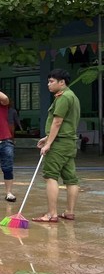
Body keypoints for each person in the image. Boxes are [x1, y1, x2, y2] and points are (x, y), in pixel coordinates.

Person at [33, 69, 80, 223]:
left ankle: (51, 214)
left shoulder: (63, 97)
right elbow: (65, 123)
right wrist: (47, 137)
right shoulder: (72, 96)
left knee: (50, 176)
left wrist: (49, 144)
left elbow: (57, 121)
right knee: (71, 179)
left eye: (51, 81)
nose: (48, 84)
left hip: (59, 144)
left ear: (62, 82)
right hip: (69, 142)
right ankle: (69, 212)